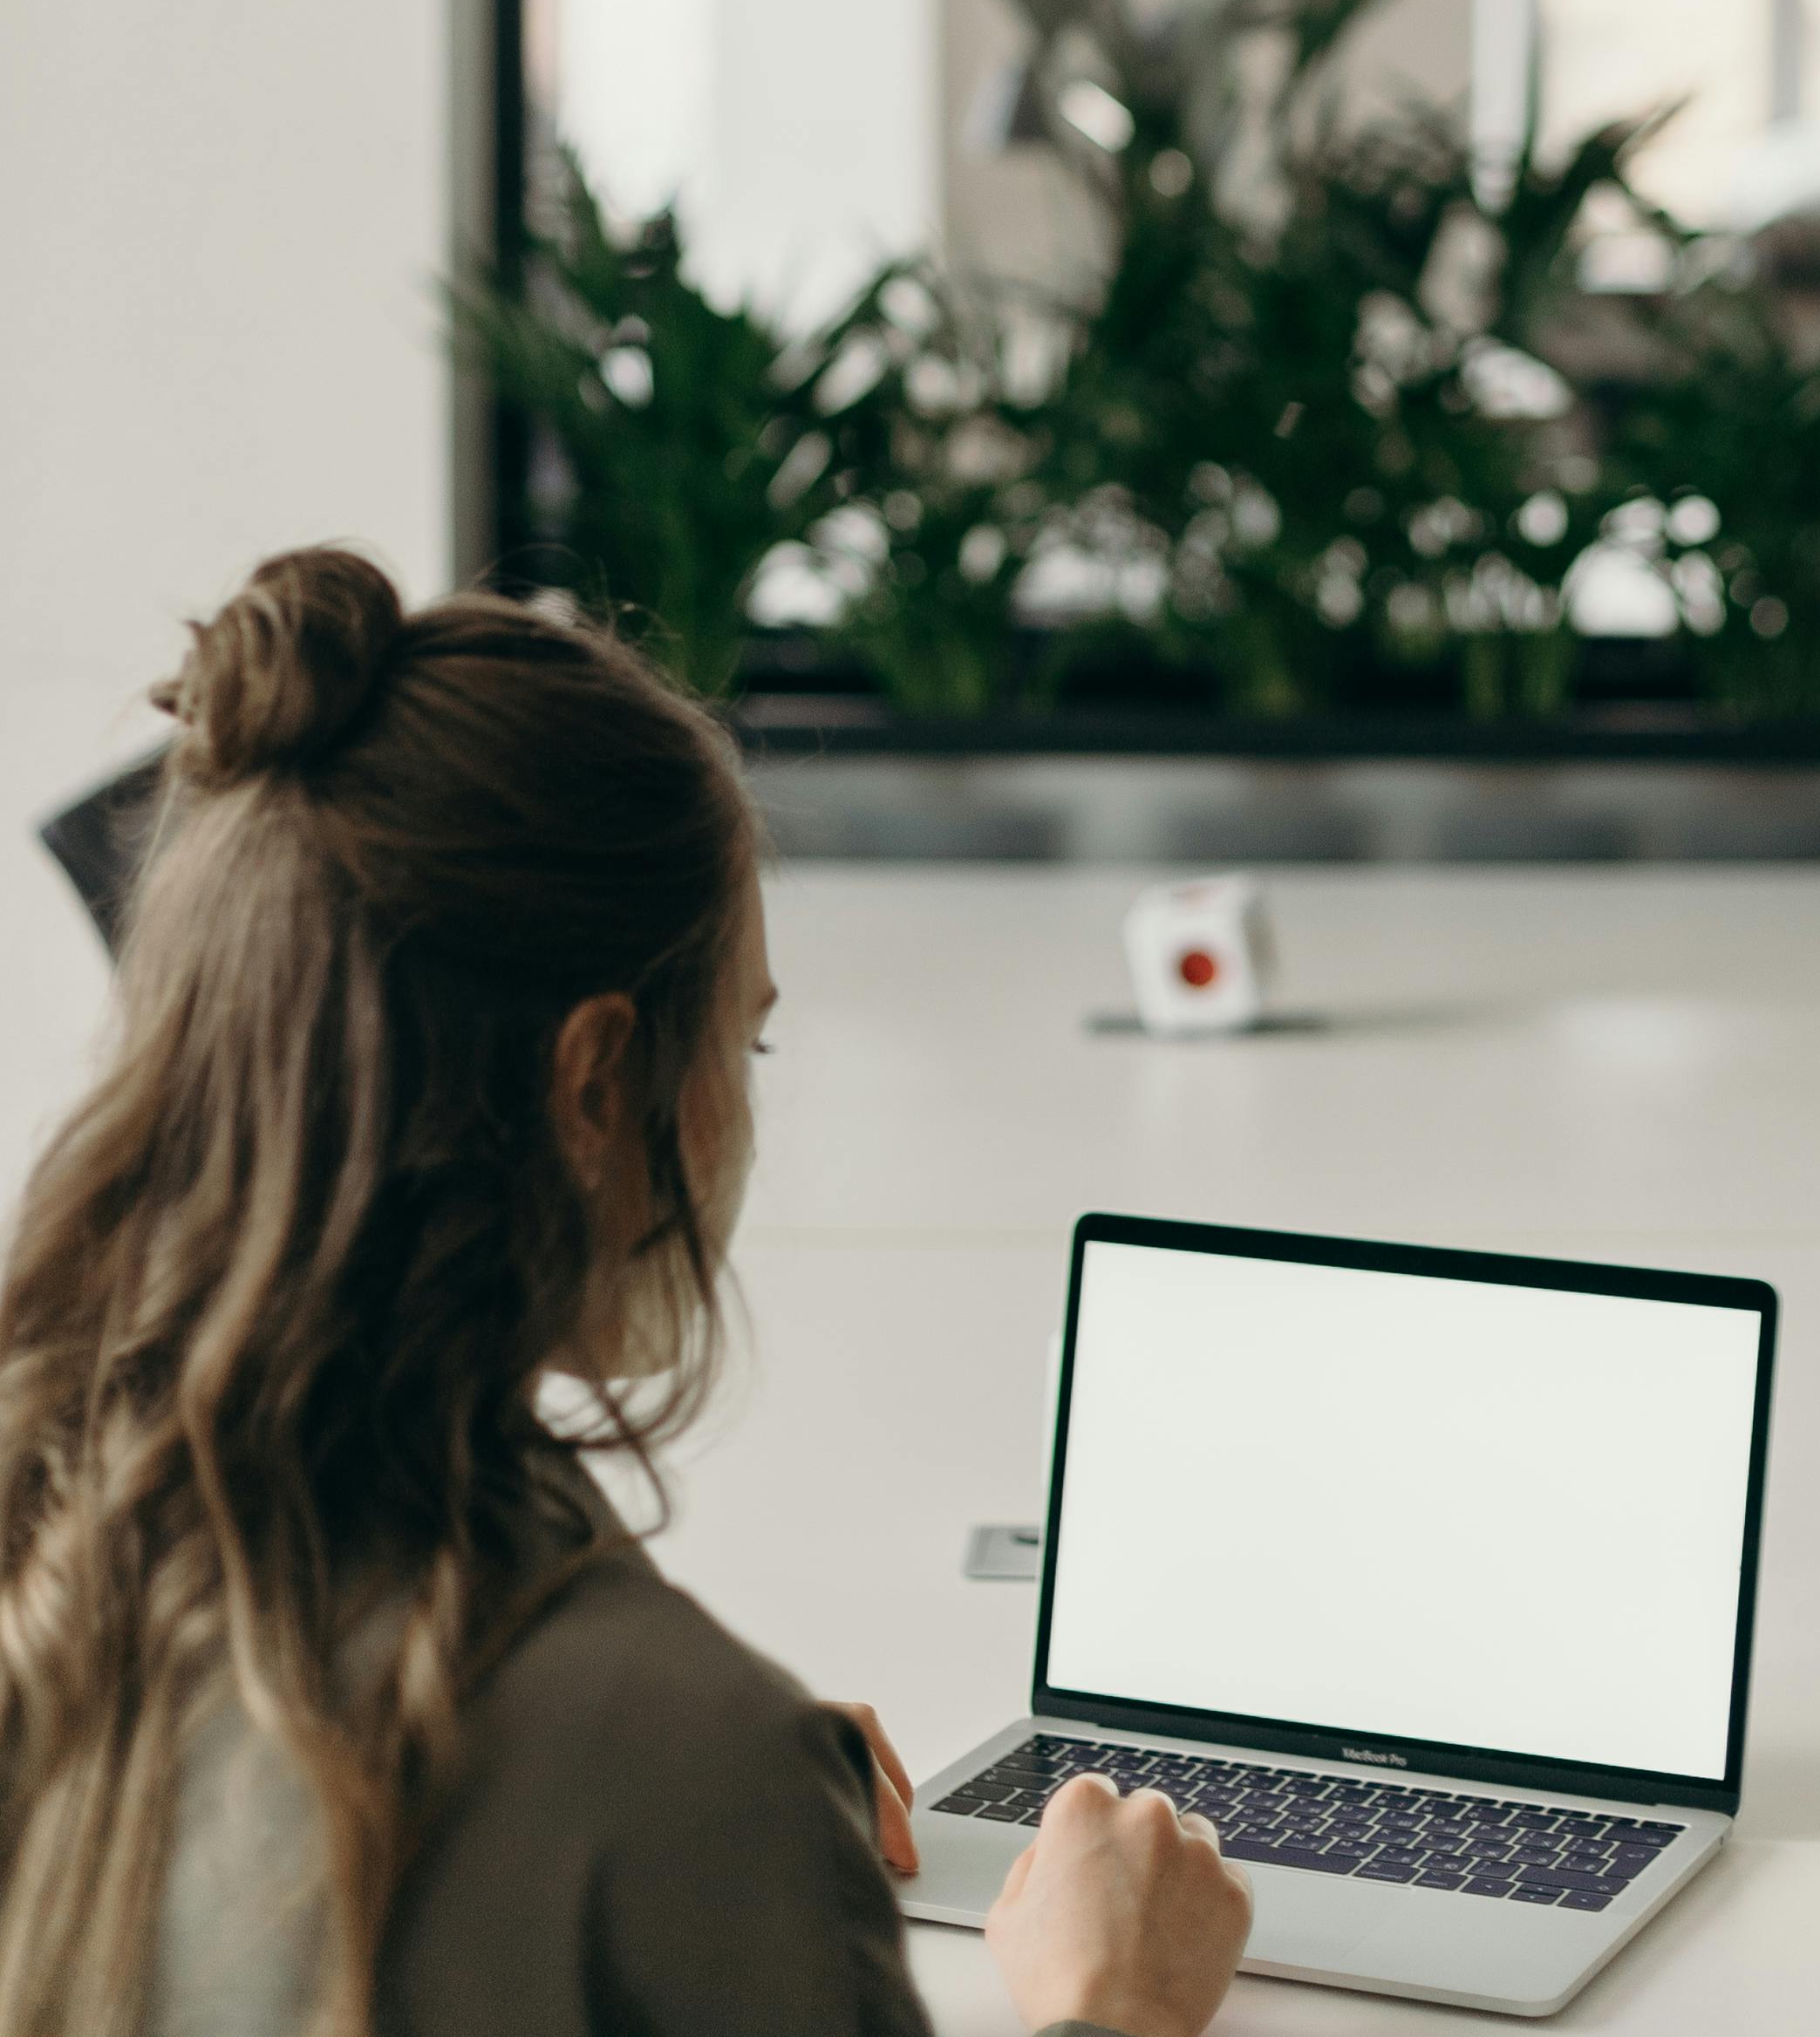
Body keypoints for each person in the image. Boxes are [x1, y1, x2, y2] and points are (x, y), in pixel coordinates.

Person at [0, 548, 1251, 2037]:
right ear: (598, 1082)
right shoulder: (688, 1776)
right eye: (746, 1043)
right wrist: (1113, 2002)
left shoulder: (51, 1537)